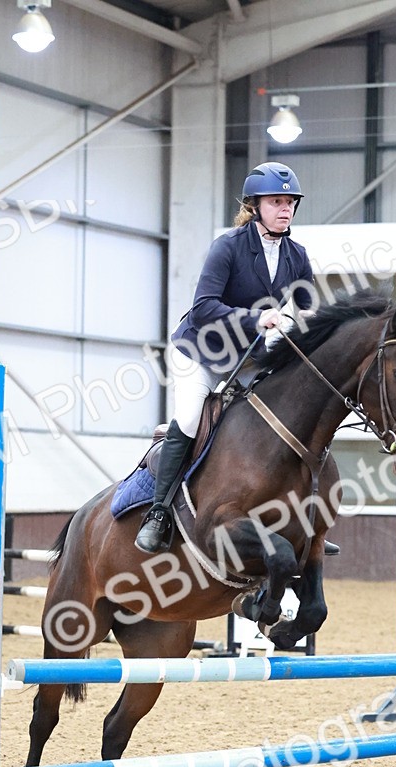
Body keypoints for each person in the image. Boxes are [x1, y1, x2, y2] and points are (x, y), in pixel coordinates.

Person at [135, 161, 316, 554]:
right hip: (201, 350)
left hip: (246, 358)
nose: (285, 208)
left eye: (290, 202)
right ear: (255, 206)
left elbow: (307, 309)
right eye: (276, 201)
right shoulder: (228, 246)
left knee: (281, 416)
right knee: (188, 418)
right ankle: (159, 512)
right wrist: (258, 318)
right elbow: (203, 307)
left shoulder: (296, 255)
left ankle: (298, 520)